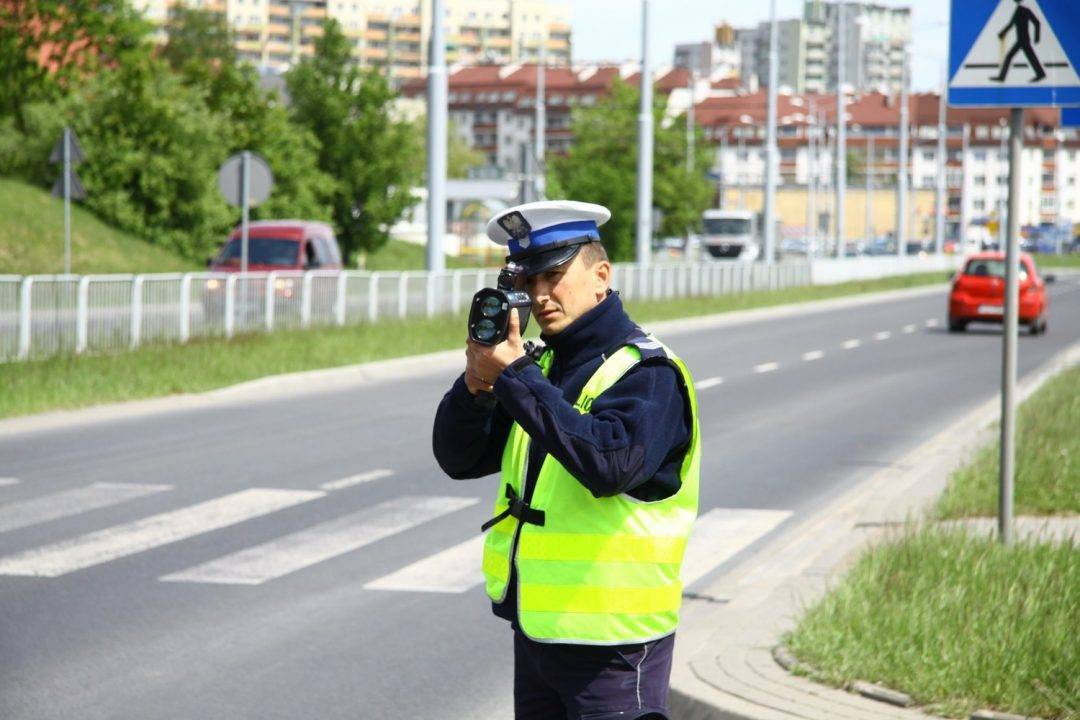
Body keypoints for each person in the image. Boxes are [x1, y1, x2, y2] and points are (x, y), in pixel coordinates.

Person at [432, 200, 701, 720]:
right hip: (539, 629)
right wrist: (476, 385)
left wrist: (517, 378)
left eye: (554, 276)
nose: (540, 295)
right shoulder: (541, 366)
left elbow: (608, 465)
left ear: (601, 275)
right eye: (530, 282)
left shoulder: (648, 372)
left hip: (615, 646)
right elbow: (458, 458)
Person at [991, 0, 1046, 83]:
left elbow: (1037, 22)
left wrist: (1037, 38)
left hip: (1023, 39)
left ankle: (1002, 77)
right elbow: (1011, 24)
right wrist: (1002, 33)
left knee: (1011, 56)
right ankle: (1041, 74)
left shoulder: (1024, 10)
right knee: (1030, 57)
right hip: (1021, 39)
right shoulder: (1018, 10)